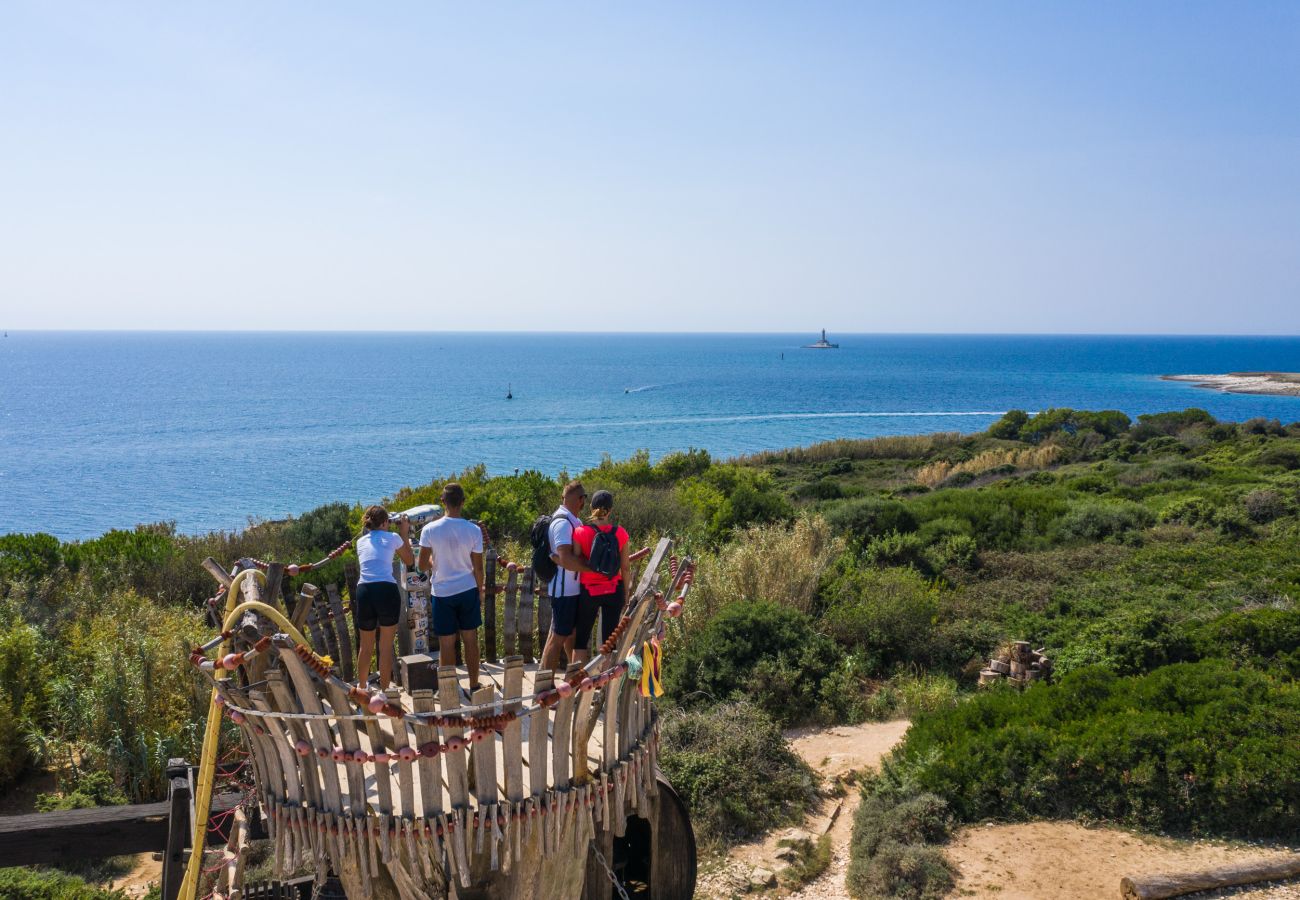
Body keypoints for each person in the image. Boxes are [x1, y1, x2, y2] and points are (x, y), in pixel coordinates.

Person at [417, 483, 486, 689]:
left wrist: (433, 563)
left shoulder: (429, 530)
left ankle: (446, 689)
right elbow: (479, 567)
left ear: (442, 501)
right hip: (467, 589)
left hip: (442, 592)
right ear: (463, 502)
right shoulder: (474, 530)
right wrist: (480, 590)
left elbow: (421, 565)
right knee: (471, 640)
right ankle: (474, 685)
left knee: (446, 644)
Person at [354, 505, 415, 689]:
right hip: (386, 590)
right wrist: (404, 532)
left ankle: (362, 688)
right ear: (384, 522)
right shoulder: (393, 537)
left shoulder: (360, 542)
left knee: (366, 646)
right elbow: (409, 560)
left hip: (364, 590)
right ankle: (384, 692)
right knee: (386, 646)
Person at [540, 480, 596, 670]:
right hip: (563, 591)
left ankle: (575, 675)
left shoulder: (572, 520)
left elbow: (563, 558)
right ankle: (545, 684)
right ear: (581, 500)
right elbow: (566, 559)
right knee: (557, 638)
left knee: (569, 635)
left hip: (570, 590)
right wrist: (593, 569)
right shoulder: (563, 523)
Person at [572, 489, 631, 662]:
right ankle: (605, 684)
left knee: (581, 640)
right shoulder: (620, 533)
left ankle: (578, 683)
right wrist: (626, 592)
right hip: (614, 590)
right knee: (610, 642)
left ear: (591, 508)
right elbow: (625, 567)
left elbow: (577, 563)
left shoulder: (580, 532)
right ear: (610, 510)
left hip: (589, 591)